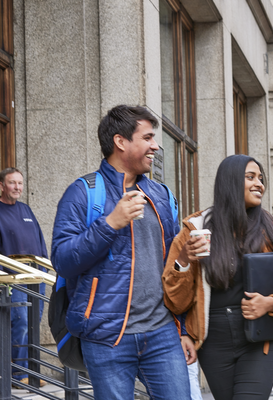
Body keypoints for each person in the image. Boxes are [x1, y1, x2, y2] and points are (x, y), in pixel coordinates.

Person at [51, 105, 191, 399]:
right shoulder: (84, 192)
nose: (156, 145)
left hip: (163, 332)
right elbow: (63, 260)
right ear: (121, 141)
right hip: (106, 335)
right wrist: (111, 223)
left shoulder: (162, 196)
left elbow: (171, 269)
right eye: (148, 137)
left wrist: (186, 258)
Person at [162, 155, 273, 400]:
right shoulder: (196, 230)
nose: (259, 184)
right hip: (213, 341)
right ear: (230, 182)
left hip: (260, 336)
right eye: (250, 177)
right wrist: (183, 260)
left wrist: (271, 303)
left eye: (261, 179)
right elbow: (175, 302)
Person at [0, 168, 48, 387]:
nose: (18, 187)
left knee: (33, 326)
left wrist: (45, 271)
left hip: (36, 278)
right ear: (2, 186)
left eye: (20, 183)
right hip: (13, 280)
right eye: (12, 183)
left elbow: (39, 241)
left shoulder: (26, 209)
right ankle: (19, 376)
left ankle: (32, 373)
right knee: (20, 324)